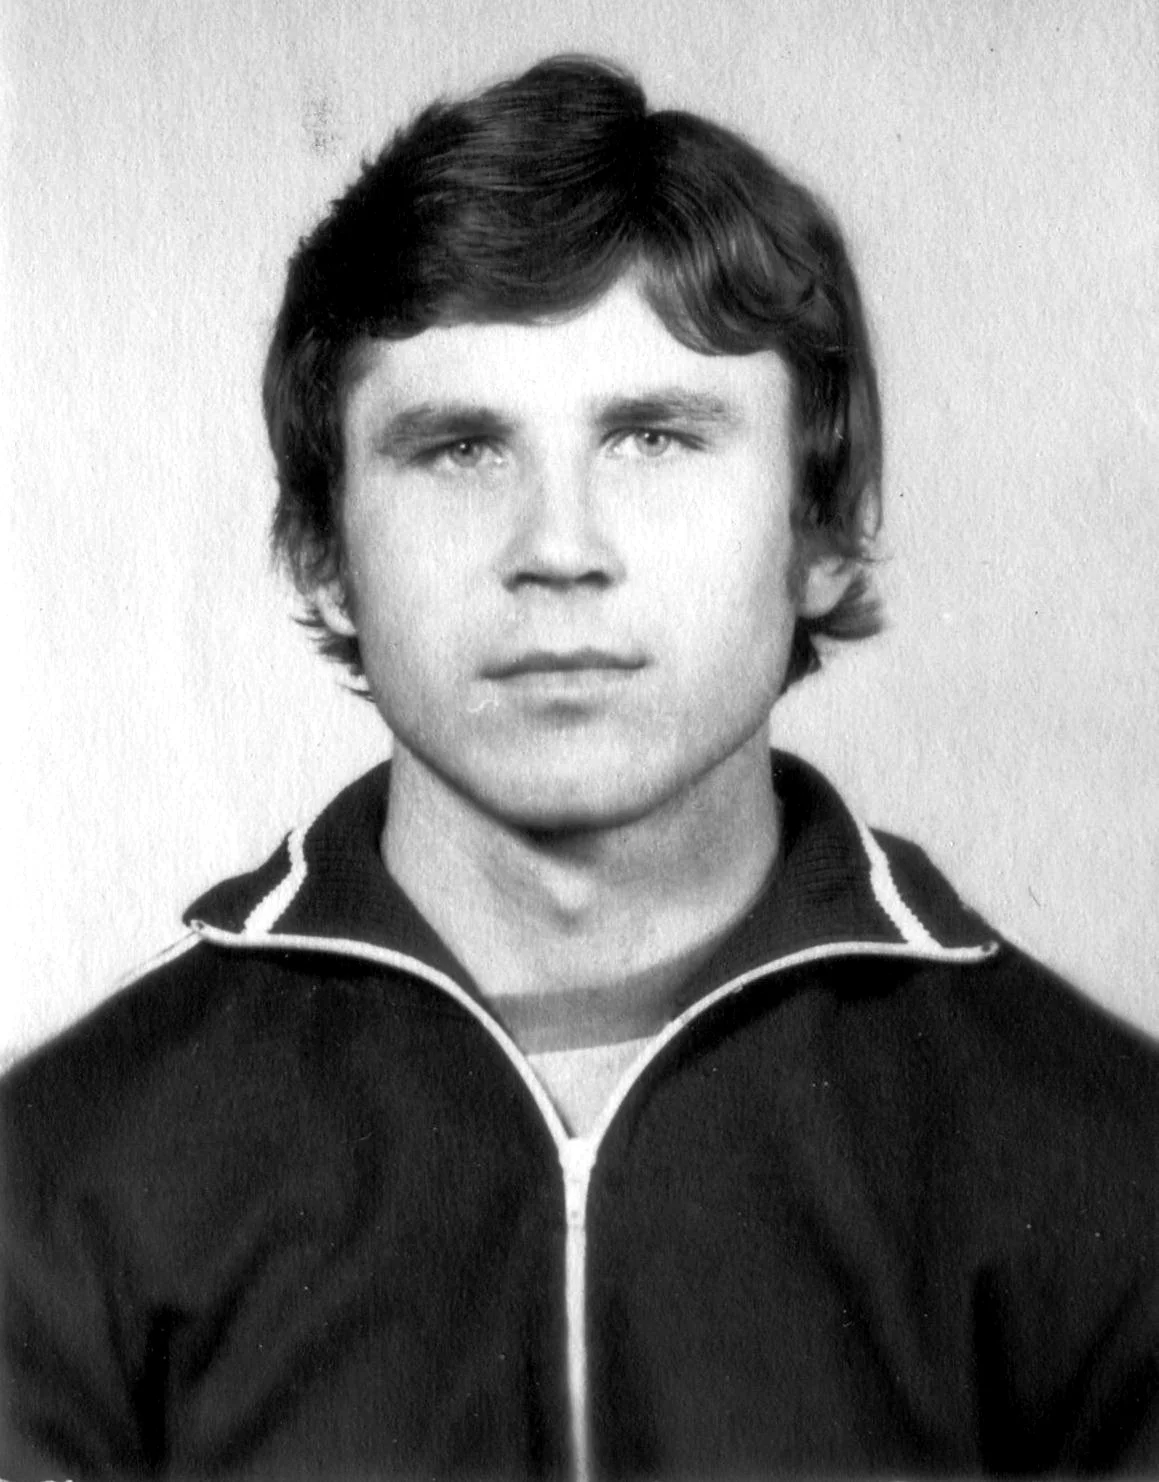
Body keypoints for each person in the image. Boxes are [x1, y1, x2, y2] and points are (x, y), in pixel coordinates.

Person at [2, 54, 1156, 1482]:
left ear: (823, 528)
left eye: (654, 438)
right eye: (459, 450)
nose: (559, 547)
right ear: (322, 552)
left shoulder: (1108, 1162)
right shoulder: (55, 1177)